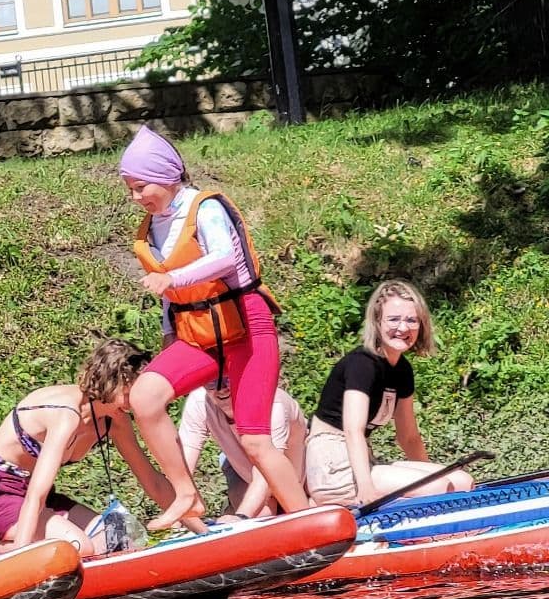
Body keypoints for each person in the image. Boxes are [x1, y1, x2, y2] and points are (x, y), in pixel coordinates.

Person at [118, 125, 310, 531]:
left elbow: (224, 257)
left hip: (246, 327)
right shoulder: (152, 226)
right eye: (130, 189)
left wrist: (173, 279)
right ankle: (186, 493)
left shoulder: (205, 208)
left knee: (255, 440)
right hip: (198, 334)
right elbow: (170, 295)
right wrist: (168, 334)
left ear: (166, 177)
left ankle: (308, 521)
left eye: (140, 187)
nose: (135, 197)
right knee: (144, 397)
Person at [0, 339, 176, 558]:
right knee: (79, 547)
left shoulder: (115, 419)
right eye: (132, 388)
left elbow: (152, 480)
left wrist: (196, 527)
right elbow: (35, 495)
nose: (138, 396)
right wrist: (22, 556)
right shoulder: (66, 414)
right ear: (113, 381)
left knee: (121, 539)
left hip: (43, 500)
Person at [305, 279, 474, 506]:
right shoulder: (362, 364)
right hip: (333, 465)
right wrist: (365, 487)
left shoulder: (402, 370)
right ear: (377, 321)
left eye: (411, 320)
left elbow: (409, 437)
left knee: (461, 481)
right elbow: (353, 430)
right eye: (394, 319)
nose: (403, 328)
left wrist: (433, 472)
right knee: (436, 487)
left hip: (364, 461)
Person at [178, 381, 308, 520]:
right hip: (246, 474)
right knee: (260, 518)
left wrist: (241, 517)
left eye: (228, 379)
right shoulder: (199, 401)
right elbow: (182, 466)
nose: (221, 388)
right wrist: (177, 517)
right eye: (211, 381)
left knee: (312, 505)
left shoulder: (273, 403)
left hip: (300, 479)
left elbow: (269, 469)